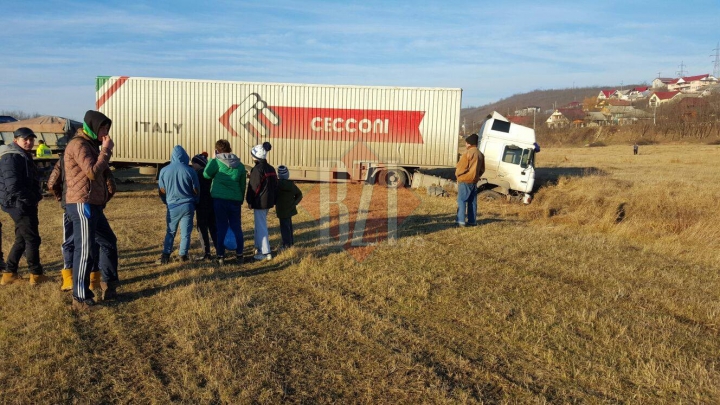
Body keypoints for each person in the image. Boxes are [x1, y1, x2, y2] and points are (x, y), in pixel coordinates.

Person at [64, 110, 119, 310]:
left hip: (94, 204)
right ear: (92, 127)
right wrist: (106, 150)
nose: (106, 133)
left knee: (108, 242)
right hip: (82, 204)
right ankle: (80, 297)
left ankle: (110, 284)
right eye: (103, 128)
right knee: (85, 250)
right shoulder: (78, 144)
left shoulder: (90, 145)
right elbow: (92, 172)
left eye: (107, 128)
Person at [48, 152, 116, 291]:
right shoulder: (97, 156)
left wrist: (63, 201)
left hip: (72, 206)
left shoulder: (64, 158)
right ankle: (94, 279)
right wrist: (101, 201)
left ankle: (70, 279)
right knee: (94, 243)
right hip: (92, 206)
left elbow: (52, 183)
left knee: (72, 243)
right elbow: (111, 185)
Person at [0, 127, 47, 285]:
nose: (29, 142)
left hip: (20, 202)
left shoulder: (22, 155)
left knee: (21, 238)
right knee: (32, 239)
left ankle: (9, 274)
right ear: (16, 140)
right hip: (18, 204)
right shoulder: (11, 157)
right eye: (25, 139)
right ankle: (36, 275)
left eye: (31, 139)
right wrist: (31, 198)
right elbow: (13, 186)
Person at [203, 140, 246, 266]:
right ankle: (239, 255)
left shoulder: (216, 162)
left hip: (219, 199)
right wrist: (240, 198)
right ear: (230, 149)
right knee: (236, 227)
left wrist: (212, 158)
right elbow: (242, 185)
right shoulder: (240, 165)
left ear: (217, 150)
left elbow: (206, 174)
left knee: (221, 227)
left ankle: (220, 256)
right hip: (235, 200)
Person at [157, 145, 200, 264]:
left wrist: (166, 201)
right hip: (188, 205)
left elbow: (161, 190)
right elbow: (196, 189)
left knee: (170, 231)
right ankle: (183, 255)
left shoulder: (164, 170)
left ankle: (166, 255)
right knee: (186, 233)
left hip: (172, 207)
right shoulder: (190, 170)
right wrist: (196, 201)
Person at [246, 142, 277, 261]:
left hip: (259, 202)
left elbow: (254, 187)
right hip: (268, 201)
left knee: (261, 227)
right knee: (260, 226)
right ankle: (259, 248)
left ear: (255, 157)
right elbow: (274, 185)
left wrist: (249, 200)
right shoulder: (271, 168)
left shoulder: (257, 169)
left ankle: (266, 252)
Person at [191, 153, 217, 261]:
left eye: (193, 163)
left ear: (198, 164)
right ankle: (219, 249)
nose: (192, 165)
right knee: (213, 228)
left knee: (202, 228)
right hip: (212, 203)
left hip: (202, 204)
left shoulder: (198, 174)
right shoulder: (209, 173)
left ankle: (207, 252)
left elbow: (195, 189)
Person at [455, 133, 485, 227]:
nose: (465, 144)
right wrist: (476, 176)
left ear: (469, 143)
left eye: (466, 143)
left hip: (465, 180)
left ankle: (461, 221)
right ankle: (472, 221)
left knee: (462, 201)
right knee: (472, 202)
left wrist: (457, 174)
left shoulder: (467, 153)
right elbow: (482, 169)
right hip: (474, 181)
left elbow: (461, 168)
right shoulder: (480, 154)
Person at [275, 165, 303, 250]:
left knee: (284, 228)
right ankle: (290, 243)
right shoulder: (291, 185)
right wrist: (294, 203)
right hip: (290, 208)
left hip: (281, 209)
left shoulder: (276, 185)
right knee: (289, 227)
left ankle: (286, 245)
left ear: (278, 175)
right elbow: (299, 195)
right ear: (287, 174)